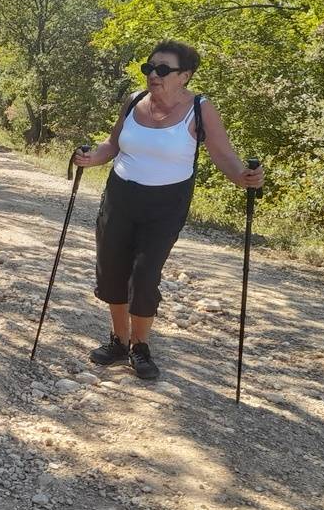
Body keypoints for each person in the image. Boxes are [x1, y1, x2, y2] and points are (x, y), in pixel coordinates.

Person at [72, 40, 265, 380]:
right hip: (120, 197)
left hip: (167, 203)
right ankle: (118, 340)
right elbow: (113, 144)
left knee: (145, 275)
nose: (153, 75)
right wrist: (90, 158)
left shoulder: (200, 109)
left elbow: (224, 156)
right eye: (149, 68)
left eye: (163, 70)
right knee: (112, 269)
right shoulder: (133, 101)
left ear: (185, 76)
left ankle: (139, 347)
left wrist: (244, 177)